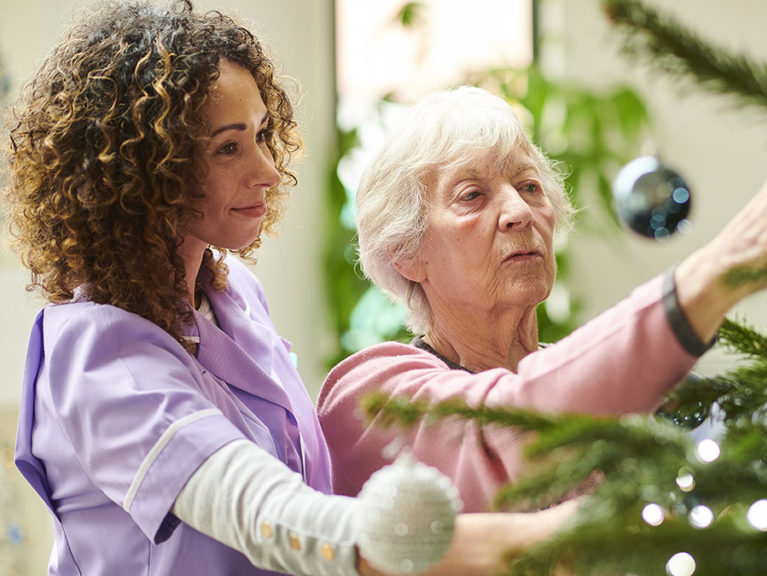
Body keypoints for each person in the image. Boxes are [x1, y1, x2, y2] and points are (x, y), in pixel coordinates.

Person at [2, 2, 573, 575]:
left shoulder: (236, 298)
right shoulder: (99, 349)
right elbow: (273, 518)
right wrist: (546, 537)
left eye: (262, 134)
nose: (270, 170)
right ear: (147, 167)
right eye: (229, 147)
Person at [317, 86, 767, 512]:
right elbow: (519, 429)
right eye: (472, 195)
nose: (519, 212)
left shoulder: (603, 383)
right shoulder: (369, 397)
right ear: (405, 253)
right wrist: (719, 269)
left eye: (529, 186)